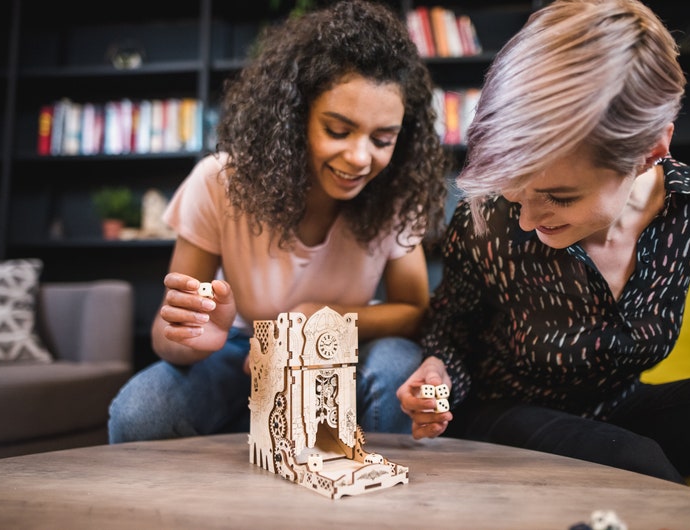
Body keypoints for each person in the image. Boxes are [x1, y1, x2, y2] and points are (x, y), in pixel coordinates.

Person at [396, 0, 690, 503]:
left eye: (560, 197)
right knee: (637, 464)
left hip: (618, 407)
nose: (526, 219)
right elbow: (451, 328)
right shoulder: (489, 221)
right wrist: (436, 372)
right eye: (518, 190)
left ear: (651, 150)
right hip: (503, 413)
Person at [108, 0, 447, 442]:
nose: (361, 158)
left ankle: (380, 496)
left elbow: (414, 313)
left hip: (345, 353)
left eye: (382, 139)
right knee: (140, 414)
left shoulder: (394, 195)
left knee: (399, 361)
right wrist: (196, 336)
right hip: (244, 350)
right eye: (338, 131)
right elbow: (165, 334)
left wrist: (318, 319)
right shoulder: (220, 183)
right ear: (294, 117)